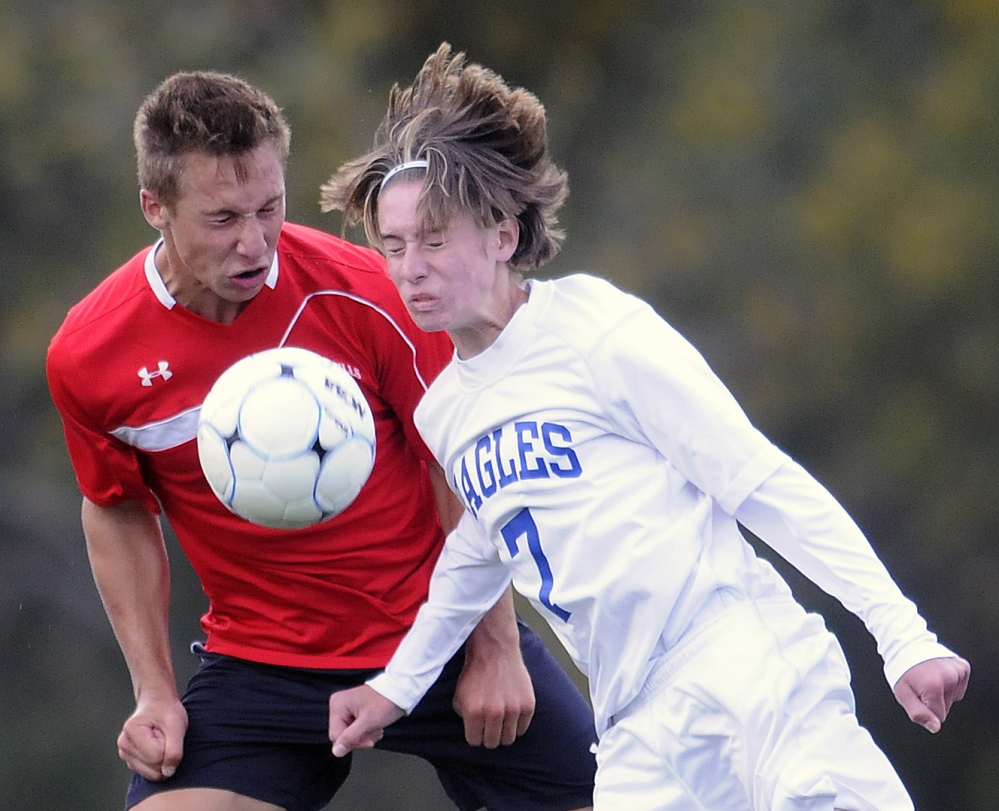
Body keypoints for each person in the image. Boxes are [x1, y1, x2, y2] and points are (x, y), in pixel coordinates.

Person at [321, 44, 971, 810]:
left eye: (433, 239)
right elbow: (481, 549)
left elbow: (756, 480)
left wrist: (900, 632)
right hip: (632, 723)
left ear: (502, 235)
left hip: (739, 661)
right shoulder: (445, 411)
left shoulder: (596, 330)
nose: (409, 267)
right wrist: (395, 687)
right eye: (392, 247)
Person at [46, 70, 598, 811]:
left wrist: (494, 645)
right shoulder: (91, 352)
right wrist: (154, 692)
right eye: (222, 218)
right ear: (156, 207)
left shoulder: (360, 289)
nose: (254, 242)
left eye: (269, 207)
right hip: (259, 663)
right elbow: (115, 507)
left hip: (437, 634)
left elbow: (461, 462)